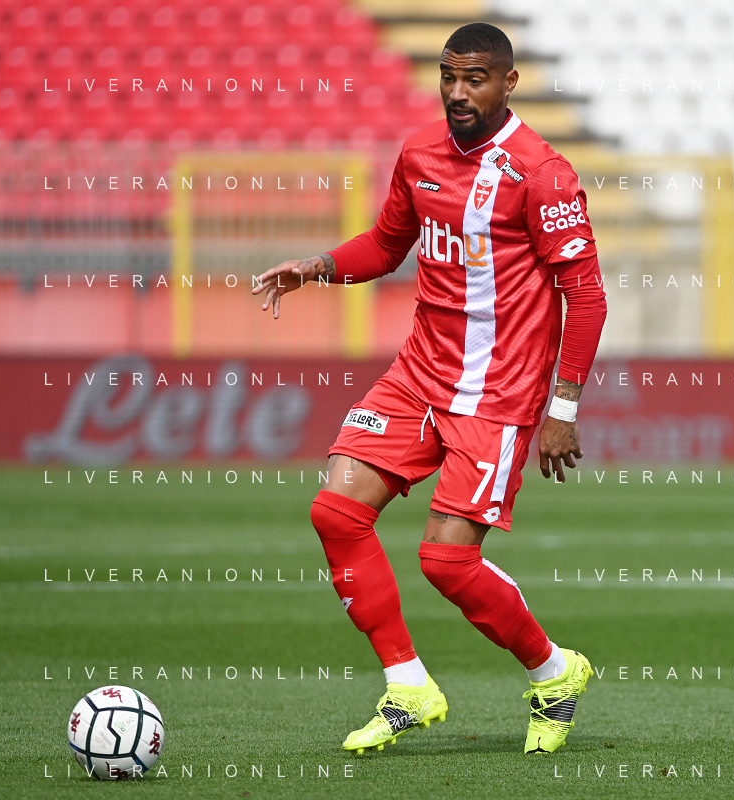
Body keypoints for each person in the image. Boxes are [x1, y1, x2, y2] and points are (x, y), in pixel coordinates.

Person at [252, 22, 607, 755]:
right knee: (336, 511)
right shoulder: (419, 154)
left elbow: (587, 296)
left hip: (498, 391)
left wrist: (562, 408)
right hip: (418, 374)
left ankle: (554, 672)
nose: (458, 92)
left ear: (508, 83)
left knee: (445, 561)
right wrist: (317, 266)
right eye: (449, 76)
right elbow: (387, 245)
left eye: (475, 78)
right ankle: (408, 684)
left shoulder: (541, 174)